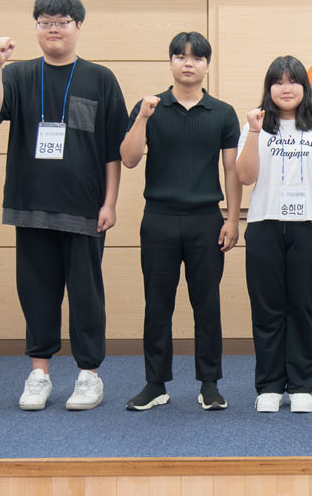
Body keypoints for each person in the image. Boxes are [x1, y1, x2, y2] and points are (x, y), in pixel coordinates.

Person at [0, 0, 127, 412]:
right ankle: (39, 374)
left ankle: (88, 375)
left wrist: (110, 202)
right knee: (36, 293)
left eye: (62, 21)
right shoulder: (19, 74)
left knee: (86, 296)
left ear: (78, 26)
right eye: (45, 22)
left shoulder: (100, 78)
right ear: (36, 29)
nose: (53, 29)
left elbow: (113, 150)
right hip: (31, 205)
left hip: (84, 209)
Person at [119, 32, 243, 411]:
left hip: (206, 220)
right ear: (170, 61)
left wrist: (232, 219)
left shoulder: (222, 112)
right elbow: (128, 158)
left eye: (196, 57)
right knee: (157, 304)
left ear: (207, 65)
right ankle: (155, 384)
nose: (188, 63)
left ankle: (210, 384)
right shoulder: (150, 107)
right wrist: (142, 117)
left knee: (207, 304)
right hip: (158, 218)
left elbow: (231, 171)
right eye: (180, 56)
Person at [235, 56, 312, 414]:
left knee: (303, 309)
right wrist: (253, 132)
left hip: (309, 227)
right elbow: (245, 176)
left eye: (293, 81)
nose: (285, 88)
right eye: (277, 82)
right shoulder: (255, 125)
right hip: (264, 225)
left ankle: (300, 385)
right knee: (267, 309)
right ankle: (268, 385)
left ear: (304, 88)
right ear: (268, 88)